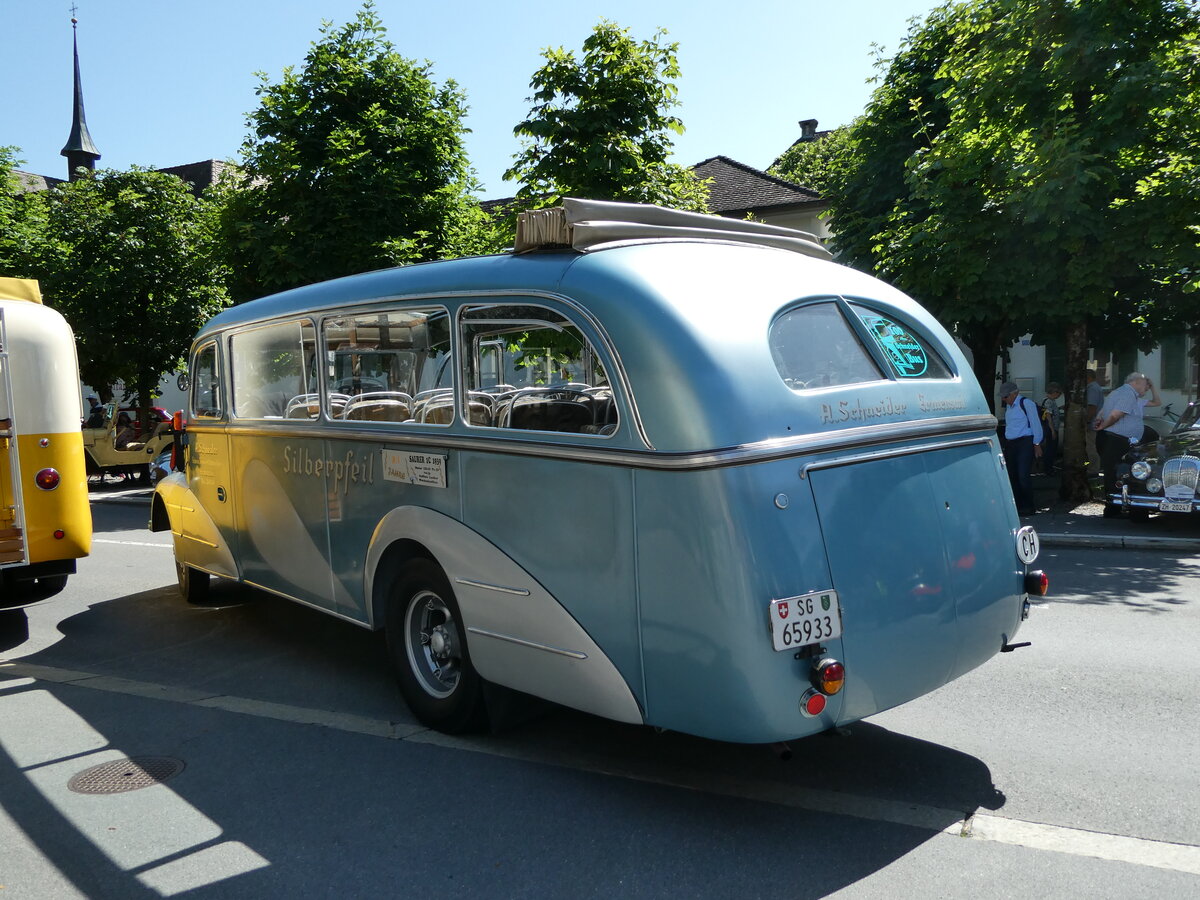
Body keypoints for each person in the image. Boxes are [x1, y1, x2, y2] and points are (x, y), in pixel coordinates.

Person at [1093, 372, 1160, 516]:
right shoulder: (1128, 394)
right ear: (1136, 383)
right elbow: (1115, 415)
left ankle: (1115, 509)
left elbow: (1103, 411)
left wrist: (1100, 420)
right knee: (1119, 473)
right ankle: (1116, 510)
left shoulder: (1117, 392)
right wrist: (1103, 425)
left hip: (1115, 439)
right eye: (1145, 384)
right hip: (1117, 440)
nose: (1147, 387)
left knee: (1114, 473)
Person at [1000, 381, 1043, 516]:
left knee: (1023, 475)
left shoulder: (1026, 403)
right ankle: (1018, 506)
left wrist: (1037, 443)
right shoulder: (1009, 407)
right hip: (1011, 443)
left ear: (1014, 394)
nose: (1004, 399)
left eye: (1006, 396)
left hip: (1025, 442)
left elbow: (1035, 424)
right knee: (1012, 475)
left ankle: (1028, 506)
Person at [1039, 382, 1063, 474]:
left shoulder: (1048, 400)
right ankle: (1048, 468)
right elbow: (1048, 415)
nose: (1059, 396)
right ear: (1055, 392)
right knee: (1051, 448)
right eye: (1059, 393)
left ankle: (1048, 467)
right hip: (1051, 428)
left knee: (1051, 447)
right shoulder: (1049, 401)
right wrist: (1053, 430)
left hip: (1050, 427)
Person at [1084, 369, 1104, 472]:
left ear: (1088, 378)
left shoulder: (1092, 389)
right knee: (1091, 446)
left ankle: (1093, 469)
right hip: (1096, 422)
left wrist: (1087, 421)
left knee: (1090, 447)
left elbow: (1092, 407)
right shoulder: (1096, 387)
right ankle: (1092, 467)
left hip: (1092, 423)